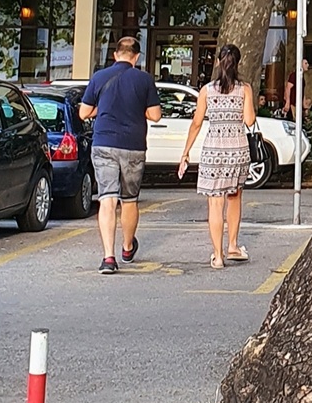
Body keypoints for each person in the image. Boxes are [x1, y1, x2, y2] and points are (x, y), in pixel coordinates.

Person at [79, 36, 162, 276]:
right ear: (136, 58)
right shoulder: (144, 79)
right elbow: (155, 115)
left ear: (115, 55)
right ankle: (127, 247)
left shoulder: (99, 77)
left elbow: (84, 113)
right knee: (129, 199)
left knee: (107, 199)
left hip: (104, 143)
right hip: (134, 145)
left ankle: (108, 257)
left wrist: (101, 108)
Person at [178, 43, 256, 266]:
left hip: (213, 151)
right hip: (237, 150)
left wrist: (186, 152)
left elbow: (196, 123)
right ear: (237, 63)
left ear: (218, 62)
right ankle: (233, 245)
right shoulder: (245, 89)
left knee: (215, 203)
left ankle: (218, 256)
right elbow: (249, 120)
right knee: (234, 197)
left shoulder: (206, 90)